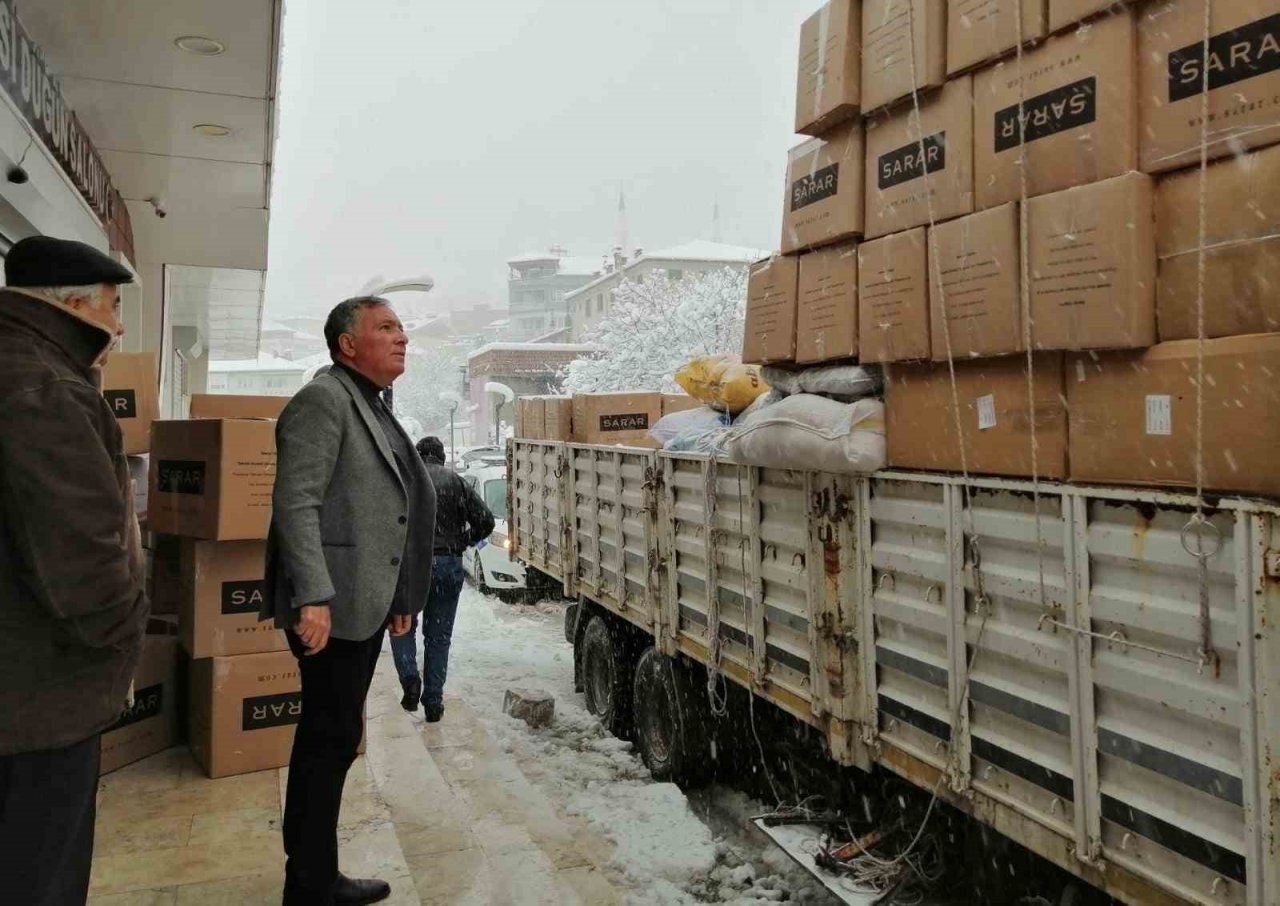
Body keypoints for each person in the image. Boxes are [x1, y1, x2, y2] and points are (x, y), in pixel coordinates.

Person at [261, 295, 436, 906]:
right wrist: (312, 595)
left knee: (334, 738)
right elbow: (296, 502)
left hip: (361, 601)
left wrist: (398, 594)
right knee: (327, 738)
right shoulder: (324, 399)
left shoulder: (371, 402)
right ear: (347, 345)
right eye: (386, 327)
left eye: (402, 328)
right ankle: (309, 884)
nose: (402, 337)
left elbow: (385, 507)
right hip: (328, 607)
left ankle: (314, 874)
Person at [0, 236, 148, 904]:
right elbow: (84, 560)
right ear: (78, 303)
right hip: (39, 699)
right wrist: (124, 641)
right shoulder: (45, 386)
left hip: (25, 689)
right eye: (114, 307)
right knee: (43, 874)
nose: (118, 326)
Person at [391, 436, 495, 721]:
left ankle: (410, 679)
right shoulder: (457, 482)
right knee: (438, 637)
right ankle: (434, 703)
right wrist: (462, 540)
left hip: (412, 564)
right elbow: (486, 520)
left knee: (402, 625)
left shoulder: (406, 480)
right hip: (448, 564)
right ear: (441, 458)